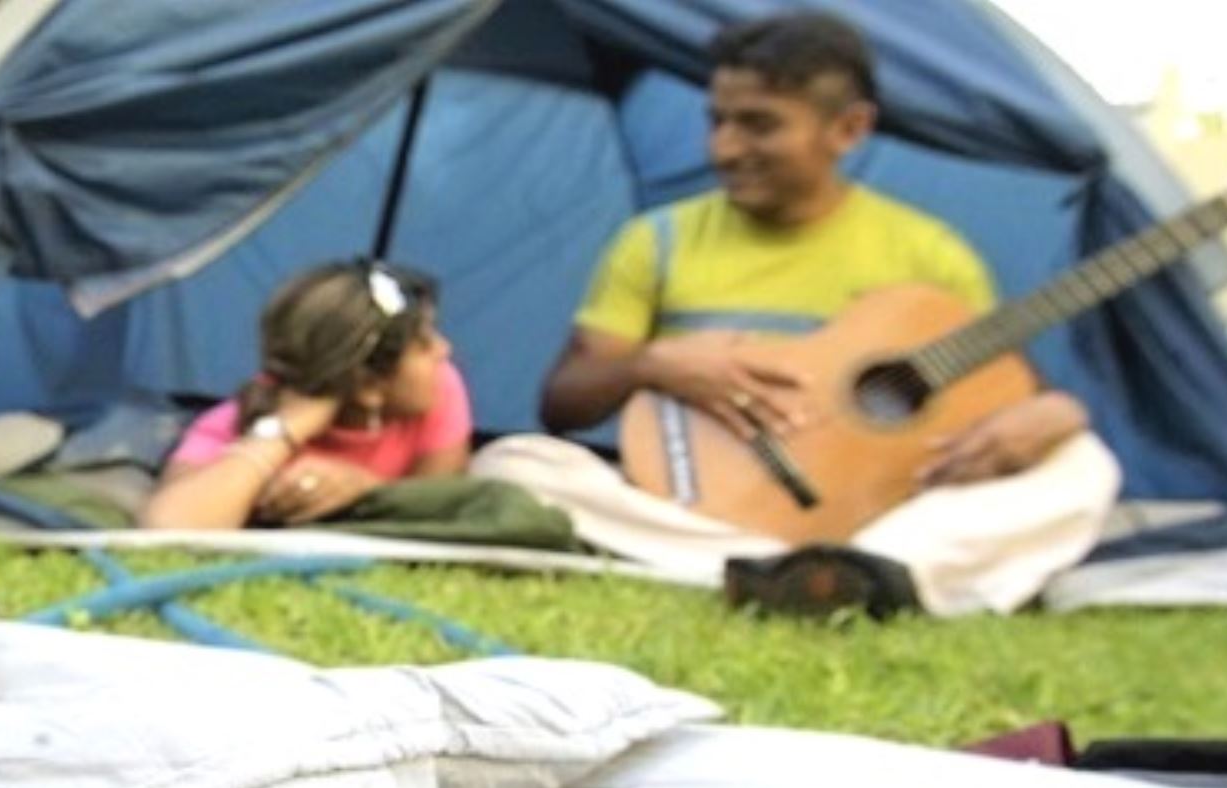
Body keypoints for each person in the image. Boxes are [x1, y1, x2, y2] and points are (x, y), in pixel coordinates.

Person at [473, 10, 1120, 615]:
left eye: (758, 124)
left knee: (1085, 467)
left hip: (881, 511)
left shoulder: (930, 254)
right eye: (717, 120)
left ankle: (859, 565)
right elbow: (562, 405)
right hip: (695, 506)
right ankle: (838, 576)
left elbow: (1010, 394)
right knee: (517, 465)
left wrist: (1056, 413)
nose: (724, 148)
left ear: (849, 129)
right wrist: (655, 362)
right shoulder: (659, 240)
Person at [141, 261, 471, 530]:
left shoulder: (440, 389)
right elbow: (169, 529)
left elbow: (438, 506)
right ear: (368, 386)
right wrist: (281, 433)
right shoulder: (234, 421)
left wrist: (367, 489)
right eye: (424, 345)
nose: (444, 350)